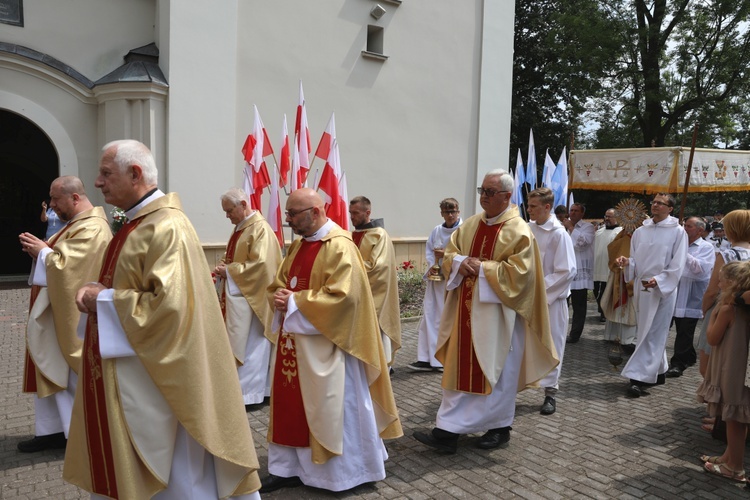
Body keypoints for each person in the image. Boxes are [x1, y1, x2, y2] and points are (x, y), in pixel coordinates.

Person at [66, 140, 261, 499]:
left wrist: (102, 299)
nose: (97, 182)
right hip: (135, 368)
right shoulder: (137, 224)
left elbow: (169, 309)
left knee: (178, 475)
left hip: (162, 379)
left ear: (135, 174)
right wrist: (103, 290)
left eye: (106, 174)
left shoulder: (165, 227)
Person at [263, 188, 402, 493]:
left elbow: (345, 298)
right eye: (288, 214)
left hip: (331, 348)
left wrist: (296, 302)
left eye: (293, 215)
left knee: (335, 408)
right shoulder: (299, 247)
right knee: (291, 404)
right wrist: (278, 295)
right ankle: (288, 468)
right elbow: (280, 281)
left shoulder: (340, 247)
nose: (289, 221)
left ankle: (340, 475)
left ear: (315, 212)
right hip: (294, 344)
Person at [413, 170, 557, 453]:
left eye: (490, 192)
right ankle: (447, 432)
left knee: (498, 374)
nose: (484, 197)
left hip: (500, 317)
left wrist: (483, 269)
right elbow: (451, 254)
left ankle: (499, 428)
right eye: (482, 190)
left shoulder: (518, 230)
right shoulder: (470, 224)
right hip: (465, 313)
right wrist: (458, 263)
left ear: (506, 196)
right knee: (458, 372)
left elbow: (522, 275)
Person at [17, 176, 111, 453]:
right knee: (49, 366)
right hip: (53, 310)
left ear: (74, 198)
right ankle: (51, 430)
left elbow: (72, 269)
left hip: (72, 316)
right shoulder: (76, 225)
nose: (53, 205)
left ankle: (75, 433)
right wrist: (43, 252)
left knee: (67, 374)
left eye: (56, 199)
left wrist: (44, 253)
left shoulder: (93, 228)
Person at [214, 188, 282, 410]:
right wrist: (223, 267)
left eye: (229, 210)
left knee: (253, 347)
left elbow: (261, 266)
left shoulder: (260, 229)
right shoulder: (241, 229)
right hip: (241, 296)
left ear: (243, 204)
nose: (227, 216)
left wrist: (230, 271)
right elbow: (233, 256)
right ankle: (245, 392)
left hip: (254, 301)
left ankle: (251, 395)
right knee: (243, 344)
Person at [615, 193, 688, 398]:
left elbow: (678, 263)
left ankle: (638, 378)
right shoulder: (641, 231)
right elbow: (636, 259)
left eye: (660, 203)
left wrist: (661, 280)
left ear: (670, 208)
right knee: (646, 328)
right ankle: (658, 370)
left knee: (653, 331)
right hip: (642, 285)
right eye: (653, 202)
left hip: (662, 287)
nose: (655, 205)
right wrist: (628, 263)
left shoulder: (678, 232)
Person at [696, 261, 750, 483]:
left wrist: (714, 315)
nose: (717, 282)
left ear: (730, 283)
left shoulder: (728, 309)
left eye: (720, 279)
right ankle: (730, 455)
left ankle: (734, 467)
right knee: (739, 416)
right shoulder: (744, 307)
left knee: (734, 417)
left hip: (731, 368)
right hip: (740, 366)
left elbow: (712, 338)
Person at [526, 187, 576, 415]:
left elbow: (566, 270)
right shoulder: (527, 229)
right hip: (526, 299)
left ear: (547, 207)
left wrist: (538, 290)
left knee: (552, 346)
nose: (529, 210)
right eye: (528, 205)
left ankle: (550, 393)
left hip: (551, 301)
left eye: (533, 206)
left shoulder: (559, 233)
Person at [409, 198, 462, 372]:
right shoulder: (437, 230)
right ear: (441, 213)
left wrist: (446, 255)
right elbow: (429, 250)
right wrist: (432, 267)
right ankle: (425, 358)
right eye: (446, 212)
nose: (450, 215)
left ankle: (443, 359)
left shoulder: (464, 230)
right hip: (436, 282)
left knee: (446, 319)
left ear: (458, 211)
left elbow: (466, 254)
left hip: (454, 282)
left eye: (453, 211)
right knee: (429, 317)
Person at [349, 195, 401, 365]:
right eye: (350, 213)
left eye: (355, 213)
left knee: (377, 330)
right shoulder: (352, 235)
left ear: (368, 212)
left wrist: (347, 267)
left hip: (373, 294)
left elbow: (379, 268)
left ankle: (383, 365)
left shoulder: (379, 235)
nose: (352, 217)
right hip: (355, 293)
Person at [697, 210, 750, 378]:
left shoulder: (727, 254)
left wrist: (706, 311)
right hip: (745, 311)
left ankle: (715, 398)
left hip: (723, 309)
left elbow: (712, 290)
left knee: (709, 364)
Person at [665, 217, 715, 378]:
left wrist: (682, 252)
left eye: (689, 226)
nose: (684, 228)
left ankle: (678, 364)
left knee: (685, 331)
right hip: (673, 293)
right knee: (677, 328)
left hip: (691, 296)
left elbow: (700, 270)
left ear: (700, 230)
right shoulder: (675, 244)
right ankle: (690, 356)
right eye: (684, 225)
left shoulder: (706, 247)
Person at [601, 228, 638, 353]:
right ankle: (616, 336)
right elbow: (612, 250)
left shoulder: (638, 237)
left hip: (632, 275)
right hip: (620, 274)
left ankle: (628, 338)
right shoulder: (623, 236)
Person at [563, 202, 596, 344]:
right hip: (564, 270)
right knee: (562, 304)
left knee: (579, 306)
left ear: (582, 214)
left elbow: (582, 244)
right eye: (571, 210)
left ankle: (575, 334)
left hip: (579, 271)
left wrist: (571, 228)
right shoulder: (561, 228)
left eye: (576, 211)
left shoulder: (588, 227)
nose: (573, 213)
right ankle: (559, 331)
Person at [593, 209, 622, 322]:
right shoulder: (599, 231)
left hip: (609, 267)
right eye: (606, 216)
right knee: (596, 290)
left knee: (606, 291)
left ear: (617, 218)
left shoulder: (620, 232)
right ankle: (601, 308)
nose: (607, 219)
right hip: (597, 266)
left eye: (610, 216)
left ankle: (604, 312)